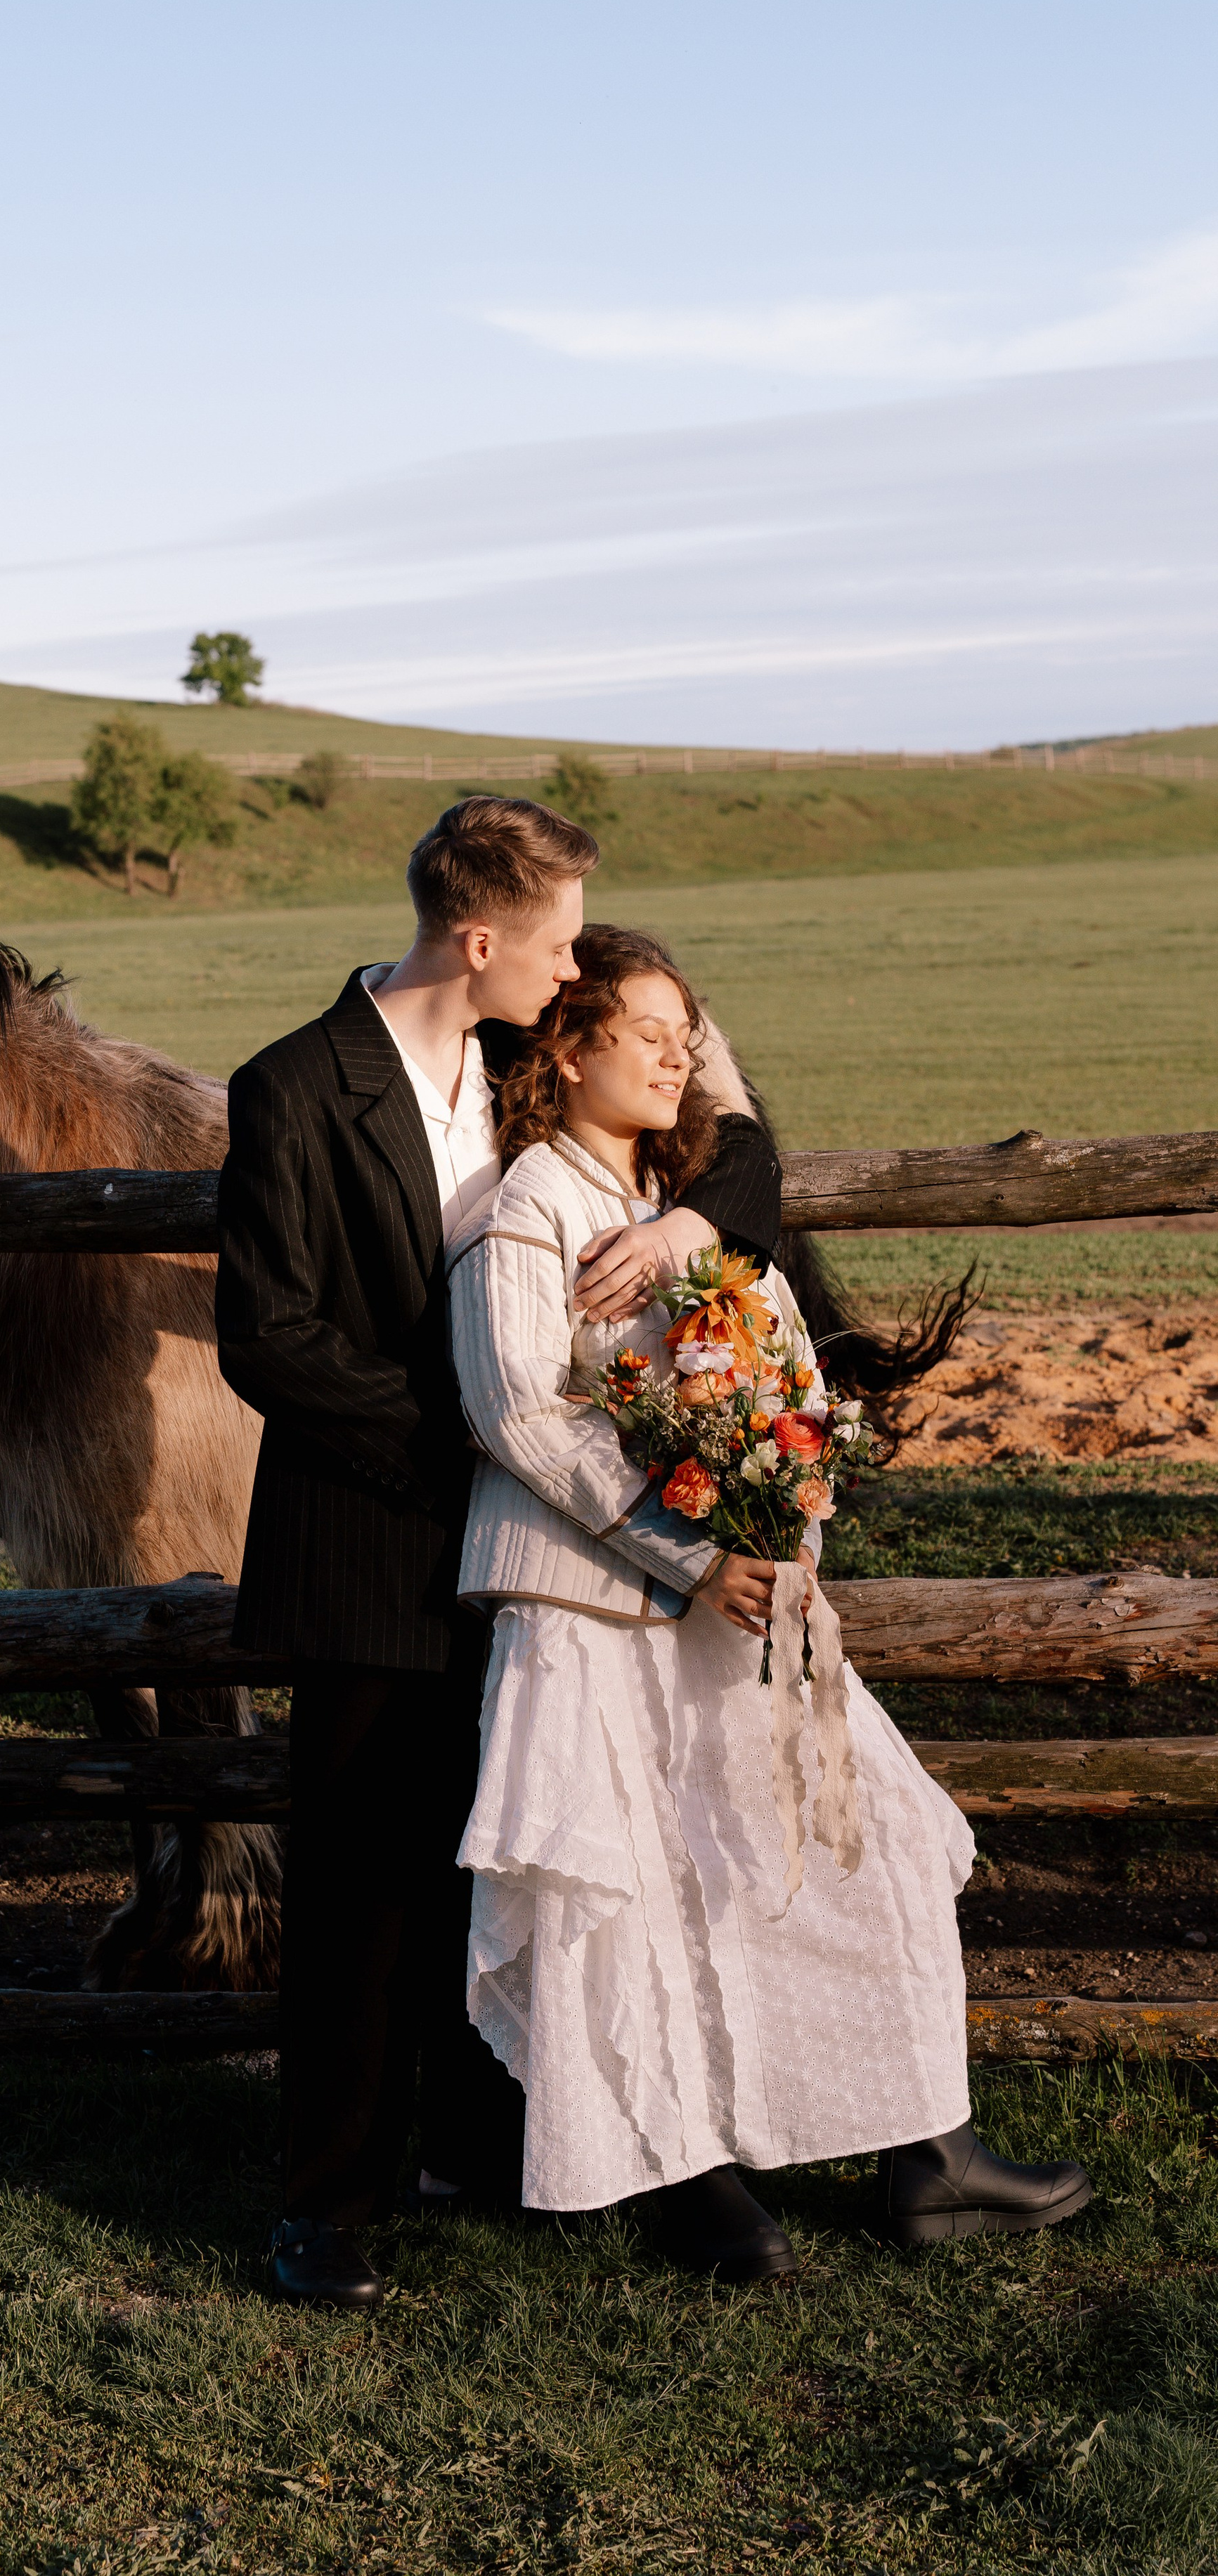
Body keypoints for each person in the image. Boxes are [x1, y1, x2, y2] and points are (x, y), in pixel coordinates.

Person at [447, 923, 1094, 2279]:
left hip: (752, 1605)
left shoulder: (698, 1214)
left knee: (869, 1850)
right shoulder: (528, 1210)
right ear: (566, 1052)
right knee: (637, 1894)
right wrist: (688, 1552)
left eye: (691, 1031)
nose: (686, 1055)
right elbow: (515, 1406)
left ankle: (933, 2150)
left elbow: (783, 1368)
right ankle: (688, 2178)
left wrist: (792, 1485)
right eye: (652, 1032)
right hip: (598, 1615)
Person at [214, 798, 786, 2312]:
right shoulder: (289, 1085)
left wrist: (681, 1238)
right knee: (361, 1882)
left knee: (539, 1851)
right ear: (478, 941)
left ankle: (521, 2149)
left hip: (547, 1546)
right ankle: (324, 2205)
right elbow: (265, 1338)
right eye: (550, 941)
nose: (572, 964)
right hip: (375, 1535)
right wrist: (471, 1424)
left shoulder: (523, 1055)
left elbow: (740, 1150)